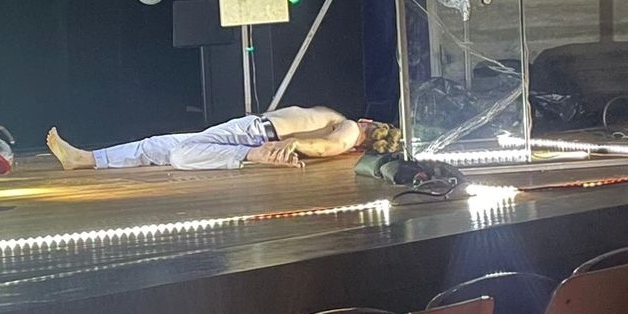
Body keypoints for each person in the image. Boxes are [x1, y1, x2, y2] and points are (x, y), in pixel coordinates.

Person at [46, 106, 402, 171]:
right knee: (158, 146)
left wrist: (293, 145)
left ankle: (247, 157)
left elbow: (330, 146)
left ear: (371, 128)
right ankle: (86, 159)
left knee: (180, 154)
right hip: (253, 131)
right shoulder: (344, 125)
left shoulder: (351, 129)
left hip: (254, 136)